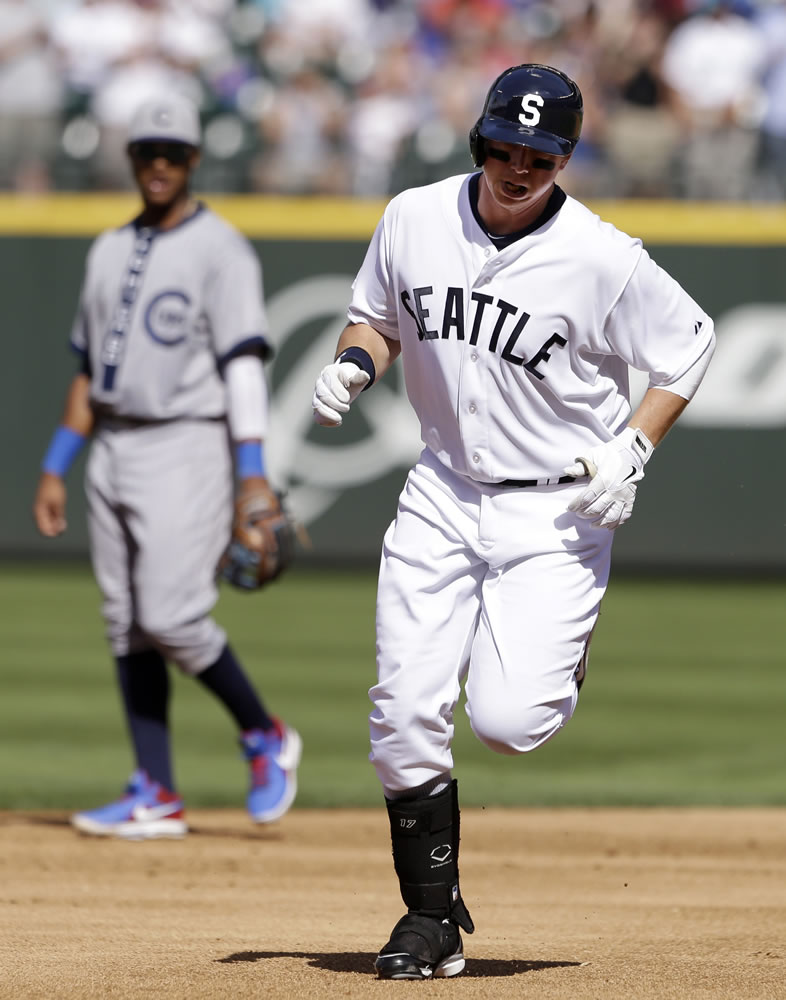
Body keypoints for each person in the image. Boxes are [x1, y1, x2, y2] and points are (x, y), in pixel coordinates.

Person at [312, 63, 715, 980]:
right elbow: (374, 318)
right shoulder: (414, 217)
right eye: (504, 145)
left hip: (555, 510)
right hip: (443, 489)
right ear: (479, 137)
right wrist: (353, 363)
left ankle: (559, 660)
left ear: (566, 158)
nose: (518, 165)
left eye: (540, 152)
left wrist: (636, 447)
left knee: (507, 720)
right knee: (403, 709)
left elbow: (690, 345)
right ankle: (427, 917)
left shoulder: (602, 255)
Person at [33, 94, 301, 841]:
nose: (158, 164)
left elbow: (244, 364)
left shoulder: (222, 249)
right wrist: (57, 464)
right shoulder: (109, 249)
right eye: (147, 151)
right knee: (126, 624)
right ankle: (155, 788)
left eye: (172, 153)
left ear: (192, 161)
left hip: (187, 440)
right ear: (131, 159)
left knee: (172, 615)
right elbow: (90, 370)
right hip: (112, 444)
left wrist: (252, 472)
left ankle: (264, 733)